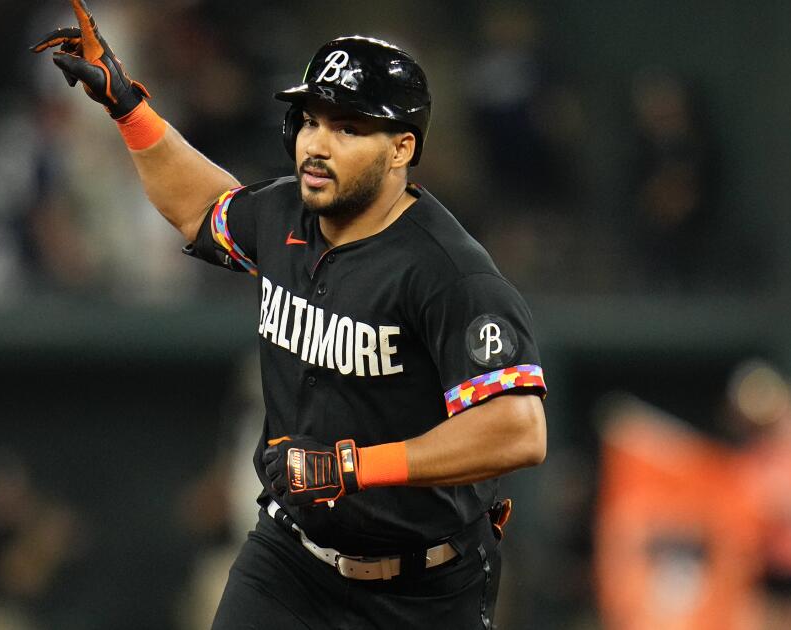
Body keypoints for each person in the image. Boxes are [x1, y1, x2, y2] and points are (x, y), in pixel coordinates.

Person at [33, 3, 549, 627]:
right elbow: (202, 208)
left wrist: (352, 466)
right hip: (290, 562)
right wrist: (129, 110)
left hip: (423, 585)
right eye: (310, 121)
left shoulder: (448, 272)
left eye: (348, 128)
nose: (317, 144)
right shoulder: (286, 218)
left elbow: (518, 429)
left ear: (401, 148)